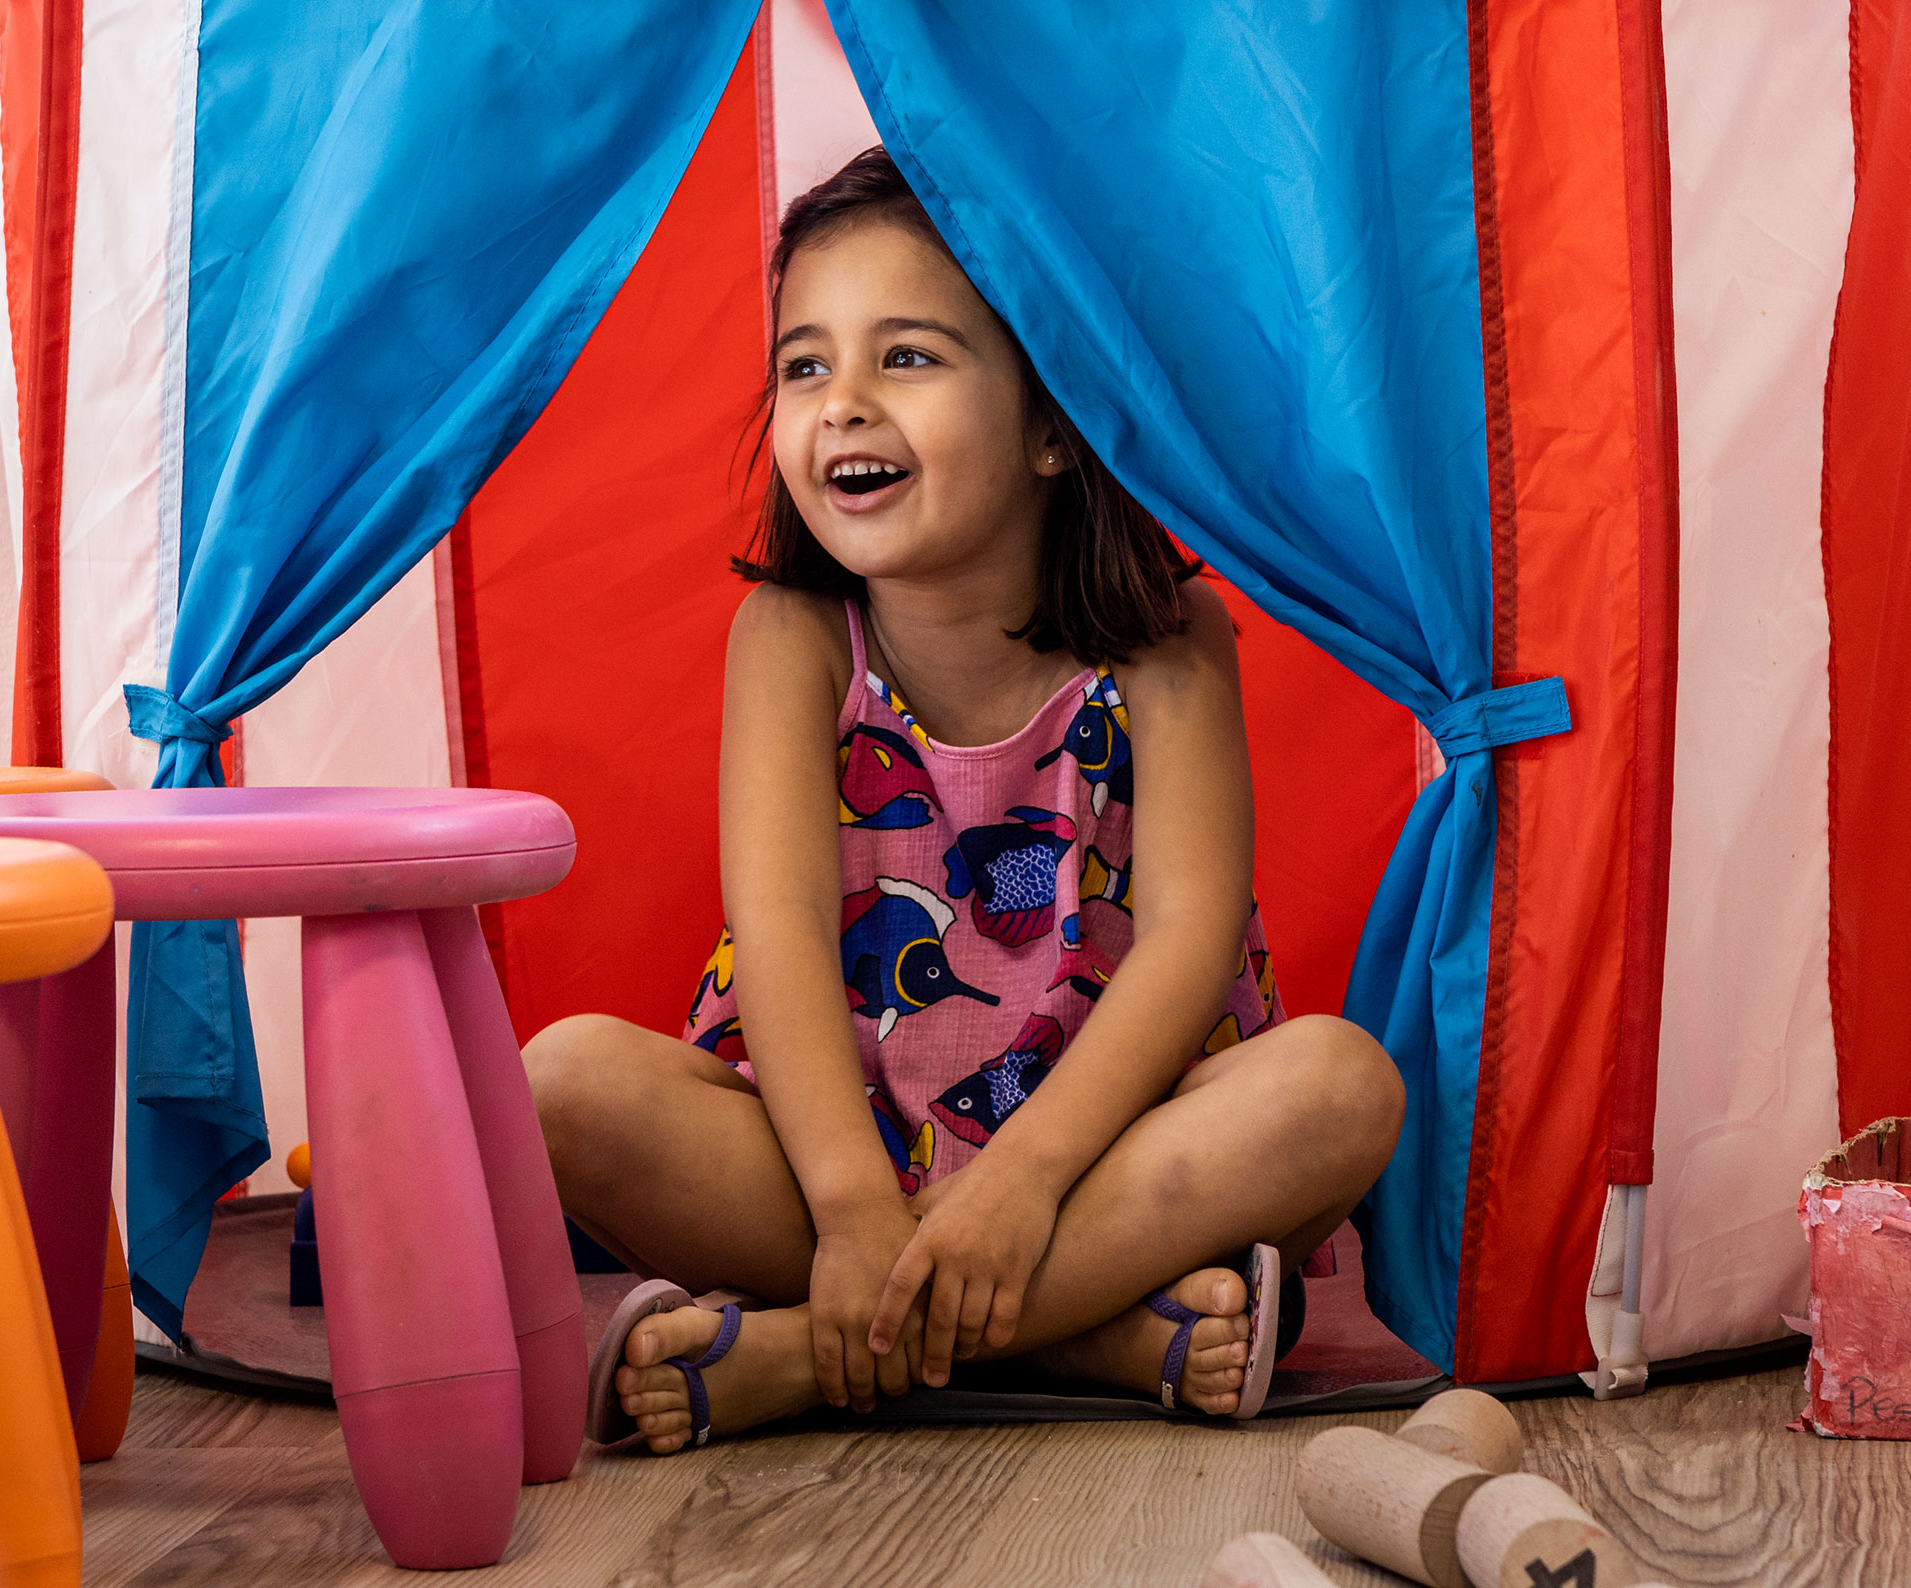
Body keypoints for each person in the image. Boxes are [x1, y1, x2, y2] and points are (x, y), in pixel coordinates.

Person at [529, 148, 1403, 1454]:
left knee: (1343, 1087)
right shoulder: (792, 637)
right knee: (561, 1083)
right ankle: (1089, 1337)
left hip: (1104, 1153)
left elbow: (1188, 942)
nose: (844, 406)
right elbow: (770, 935)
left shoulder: (1170, 640)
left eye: (909, 359)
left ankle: (818, 1361)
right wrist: (845, 1202)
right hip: (839, 1148)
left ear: (1054, 424)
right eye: (806, 365)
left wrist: (1030, 1180)